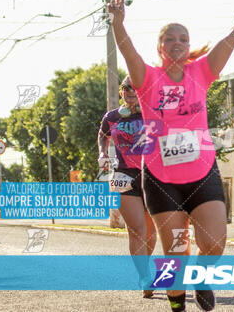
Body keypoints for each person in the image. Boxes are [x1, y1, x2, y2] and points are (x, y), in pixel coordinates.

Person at [107, 0, 234, 312]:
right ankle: (176, 305)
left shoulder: (201, 72)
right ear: (160, 47)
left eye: (183, 38)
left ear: (188, 46)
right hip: (161, 179)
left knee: (214, 243)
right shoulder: (147, 78)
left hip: (202, 173)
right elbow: (126, 51)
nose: (177, 43)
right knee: (174, 251)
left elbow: (233, 37)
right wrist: (118, 23)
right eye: (169, 39)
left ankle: (202, 277)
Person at [98, 76, 157, 299]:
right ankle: (144, 277)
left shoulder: (154, 112)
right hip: (123, 174)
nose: (131, 91)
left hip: (153, 175)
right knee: (137, 229)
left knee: (151, 232)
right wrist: (103, 153)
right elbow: (102, 136)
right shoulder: (112, 117)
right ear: (121, 91)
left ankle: (144, 266)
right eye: (127, 88)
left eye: (137, 88)